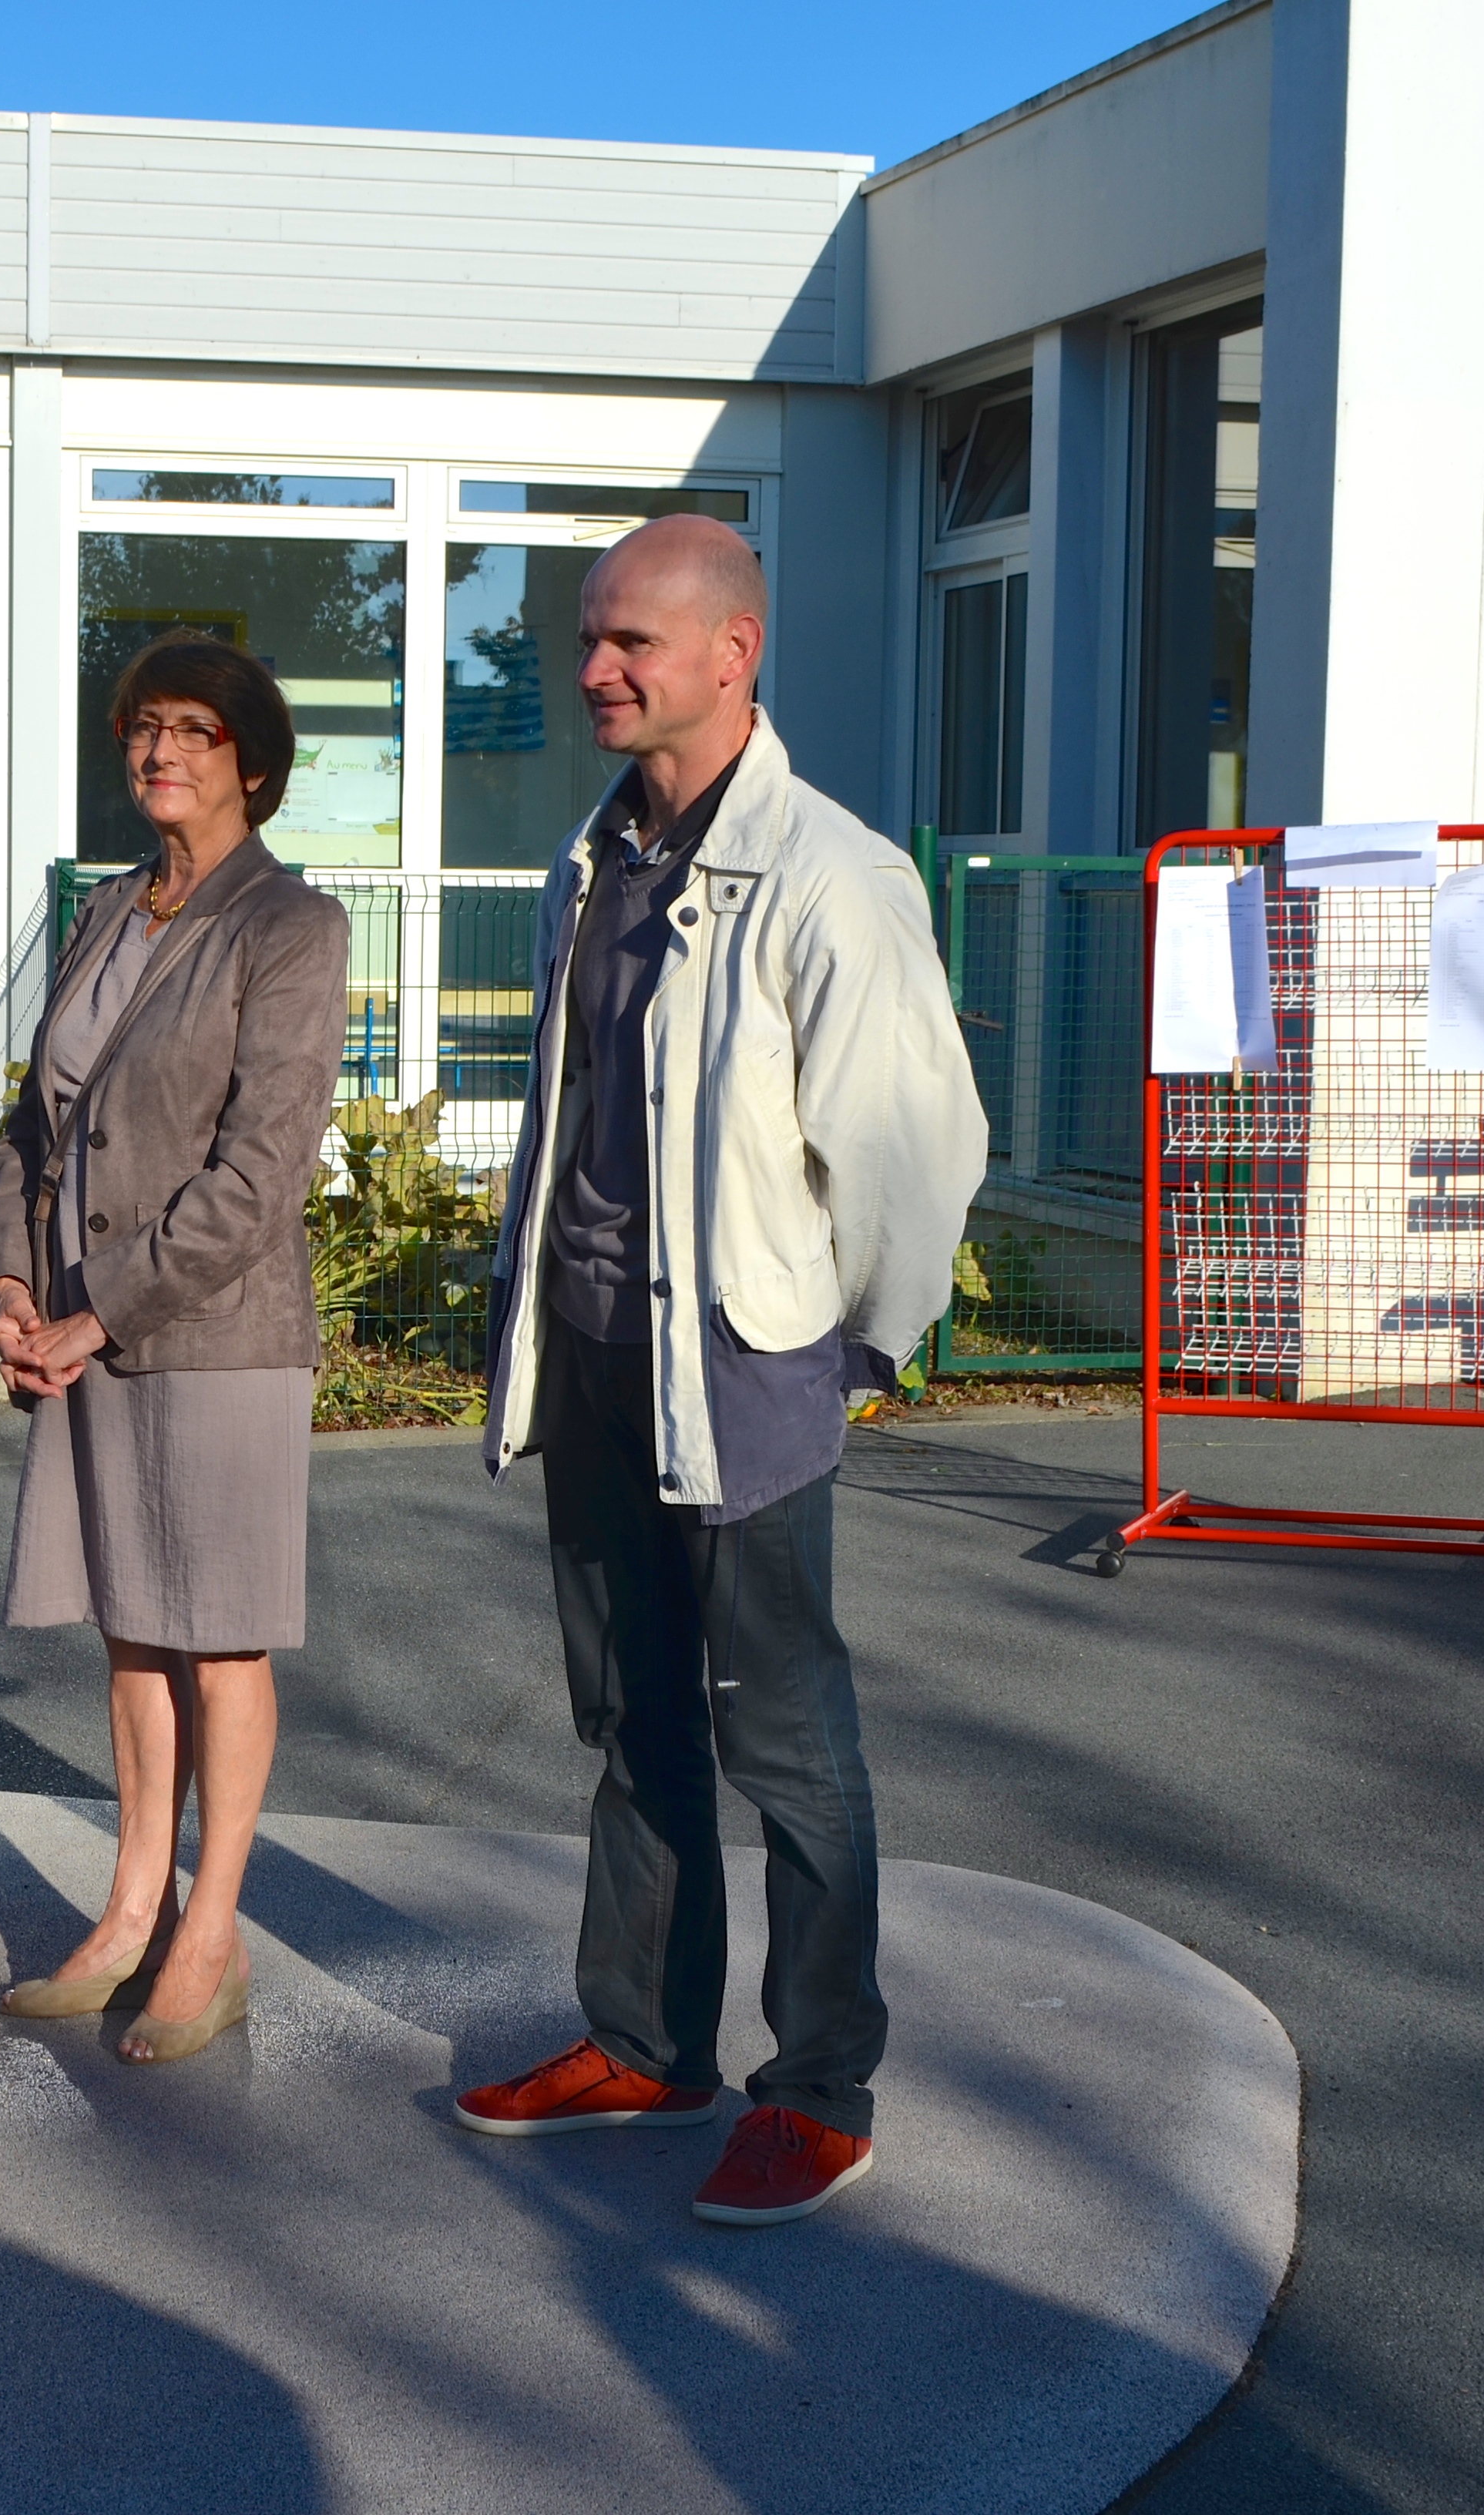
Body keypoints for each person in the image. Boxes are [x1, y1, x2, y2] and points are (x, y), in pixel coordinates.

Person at [450, 515, 986, 2228]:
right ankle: (643, 2041)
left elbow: (912, 1145)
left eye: (631, 645)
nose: (595, 669)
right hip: (600, 1359)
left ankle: (818, 2085)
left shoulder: (831, 874)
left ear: (732, 653)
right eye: (591, 641)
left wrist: (849, 1349)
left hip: (743, 1372)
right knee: (632, 1722)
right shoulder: (590, 859)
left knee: (790, 1742)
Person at [0, 633, 347, 2067]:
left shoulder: (288, 926)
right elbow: (36, 1124)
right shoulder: (109, 912)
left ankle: (213, 1930)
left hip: (211, 1336)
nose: (161, 751)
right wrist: (15, 1279)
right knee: (134, 1630)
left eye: (194, 730)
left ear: (250, 759)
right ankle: (131, 1908)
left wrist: (101, 1305)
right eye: (143, 728)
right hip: (79, 1327)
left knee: (218, 1639)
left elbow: (261, 1176)